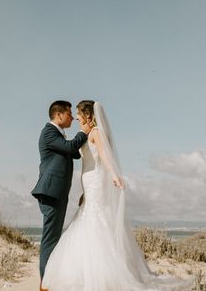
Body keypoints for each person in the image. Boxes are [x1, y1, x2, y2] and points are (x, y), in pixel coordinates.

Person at [41, 100, 192, 291]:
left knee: (95, 223)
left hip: (95, 182)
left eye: (78, 113)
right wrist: (83, 192)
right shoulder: (85, 134)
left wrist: (114, 175)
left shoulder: (95, 132)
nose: (76, 117)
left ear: (88, 116)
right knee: (87, 221)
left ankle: (100, 276)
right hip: (89, 185)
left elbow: (104, 156)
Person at [31, 100, 91, 290]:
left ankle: (50, 280)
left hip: (57, 193)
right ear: (58, 115)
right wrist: (84, 132)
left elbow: (73, 152)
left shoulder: (59, 136)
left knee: (54, 238)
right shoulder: (49, 132)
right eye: (69, 114)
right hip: (50, 192)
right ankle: (45, 284)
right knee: (50, 239)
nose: (73, 117)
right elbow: (72, 147)